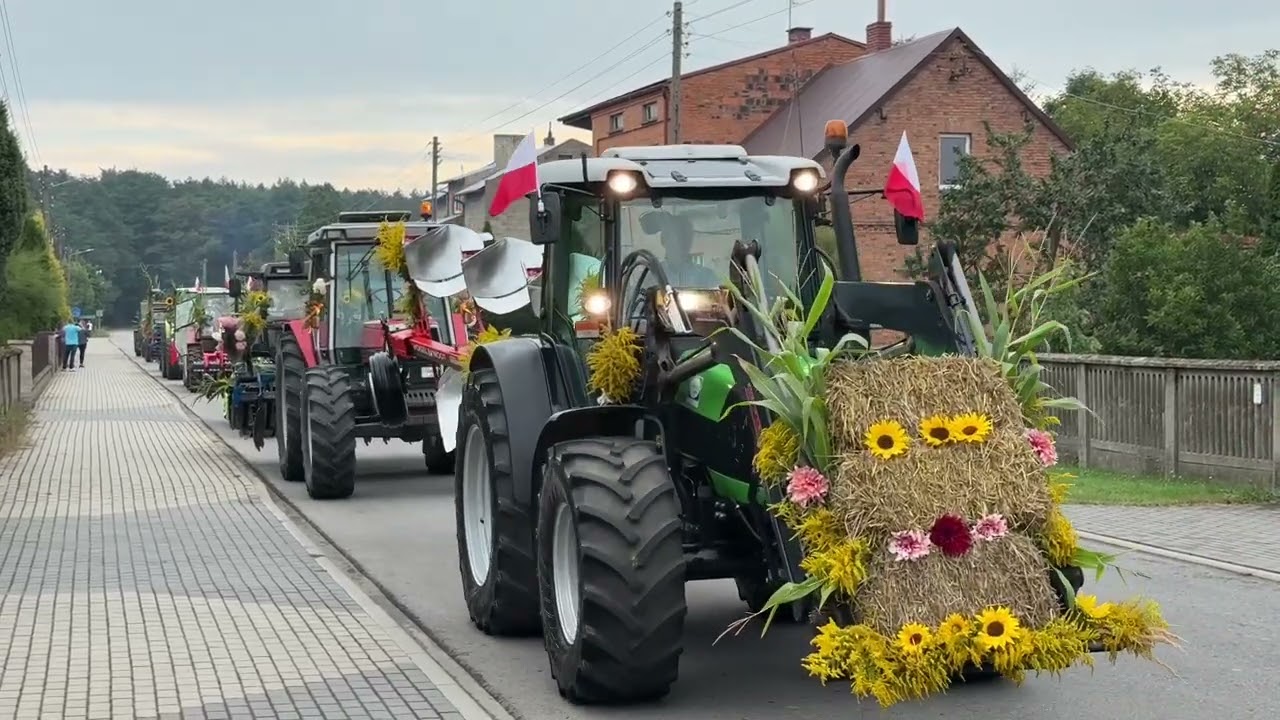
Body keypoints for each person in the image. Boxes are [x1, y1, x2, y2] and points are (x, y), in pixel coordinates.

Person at [660, 214, 720, 288]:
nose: (684, 241)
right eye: (679, 235)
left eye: (687, 236)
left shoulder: (707, 277)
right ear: (663, 239)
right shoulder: (651, 276)